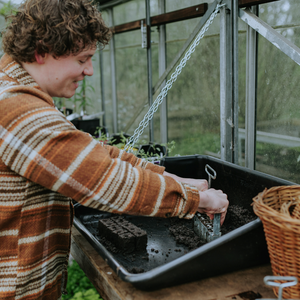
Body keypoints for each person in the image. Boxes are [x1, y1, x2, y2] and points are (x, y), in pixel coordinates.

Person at [0, 0, 229, 299]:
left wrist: (179, 180)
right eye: (83, 59)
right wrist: (196, 200)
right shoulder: (17, 110)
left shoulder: (20, 96)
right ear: (42, 51)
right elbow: (105, 180)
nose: (90, 71)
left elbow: (95, 154)